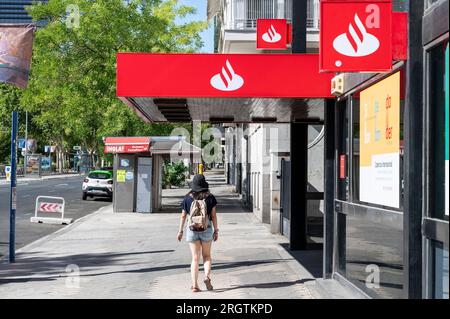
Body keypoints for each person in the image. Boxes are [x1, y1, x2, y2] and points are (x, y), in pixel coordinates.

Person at [177, 174, 218, 292]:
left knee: (195, 258)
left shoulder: (187, 198)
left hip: (192, 229)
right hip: (206, 228)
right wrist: (216, 231)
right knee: (207, 256)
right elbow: (214, 216)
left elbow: (183, 216)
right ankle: (206, 276)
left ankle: (195, 285)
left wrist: (180, 231)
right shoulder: (210, 198)